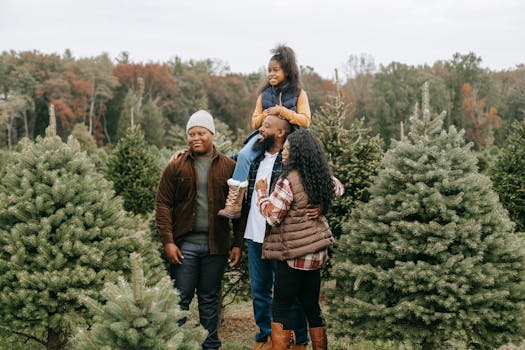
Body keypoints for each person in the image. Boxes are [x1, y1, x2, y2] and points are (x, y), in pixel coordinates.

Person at [155, 110, 243, 350]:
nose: (195, 137)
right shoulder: (176, 166)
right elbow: (163, 203)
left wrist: (237, 244)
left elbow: (238, 208)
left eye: (201, 133)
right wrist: (168, 242)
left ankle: (210, 345)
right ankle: (177, 344)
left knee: (208, 299)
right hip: (185, 247)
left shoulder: (229, 166)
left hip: (216, 245)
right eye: (191, 134)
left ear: (212, 134)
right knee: (180, 298)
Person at [255, 128, 335, 350]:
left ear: (299, 152)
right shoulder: (318, 174)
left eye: (288, 149)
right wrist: (322, 205)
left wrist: (261, 193)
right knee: (311, 305)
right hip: (316, 254)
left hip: (294, 255)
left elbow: (272, 216)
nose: (283, 152)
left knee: (281, 306)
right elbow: (337, 188)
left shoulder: (288, 180)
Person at [241, 114, 312, 350]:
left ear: (281, 133)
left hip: (280, 237)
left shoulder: (292, 161)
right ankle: (266, 335)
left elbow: (322, 180)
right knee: (260, 290)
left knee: (288, 292)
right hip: (254, 235)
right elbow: (225, 163)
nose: (261, 129)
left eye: (267, 126)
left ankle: (299, 338)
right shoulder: (254, 158)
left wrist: (320, 203)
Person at [218, 45, 311, 219]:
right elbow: (255, 122)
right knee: (244, 155)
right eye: (268, 70)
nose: (271, 74)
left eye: (275, 70)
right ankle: (234, 202)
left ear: (287, 71)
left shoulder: (299, 94)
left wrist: (283, 112)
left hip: (293, 137)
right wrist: (267, 114)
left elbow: (305, 120)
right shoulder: (264, 95)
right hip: (266, 136)